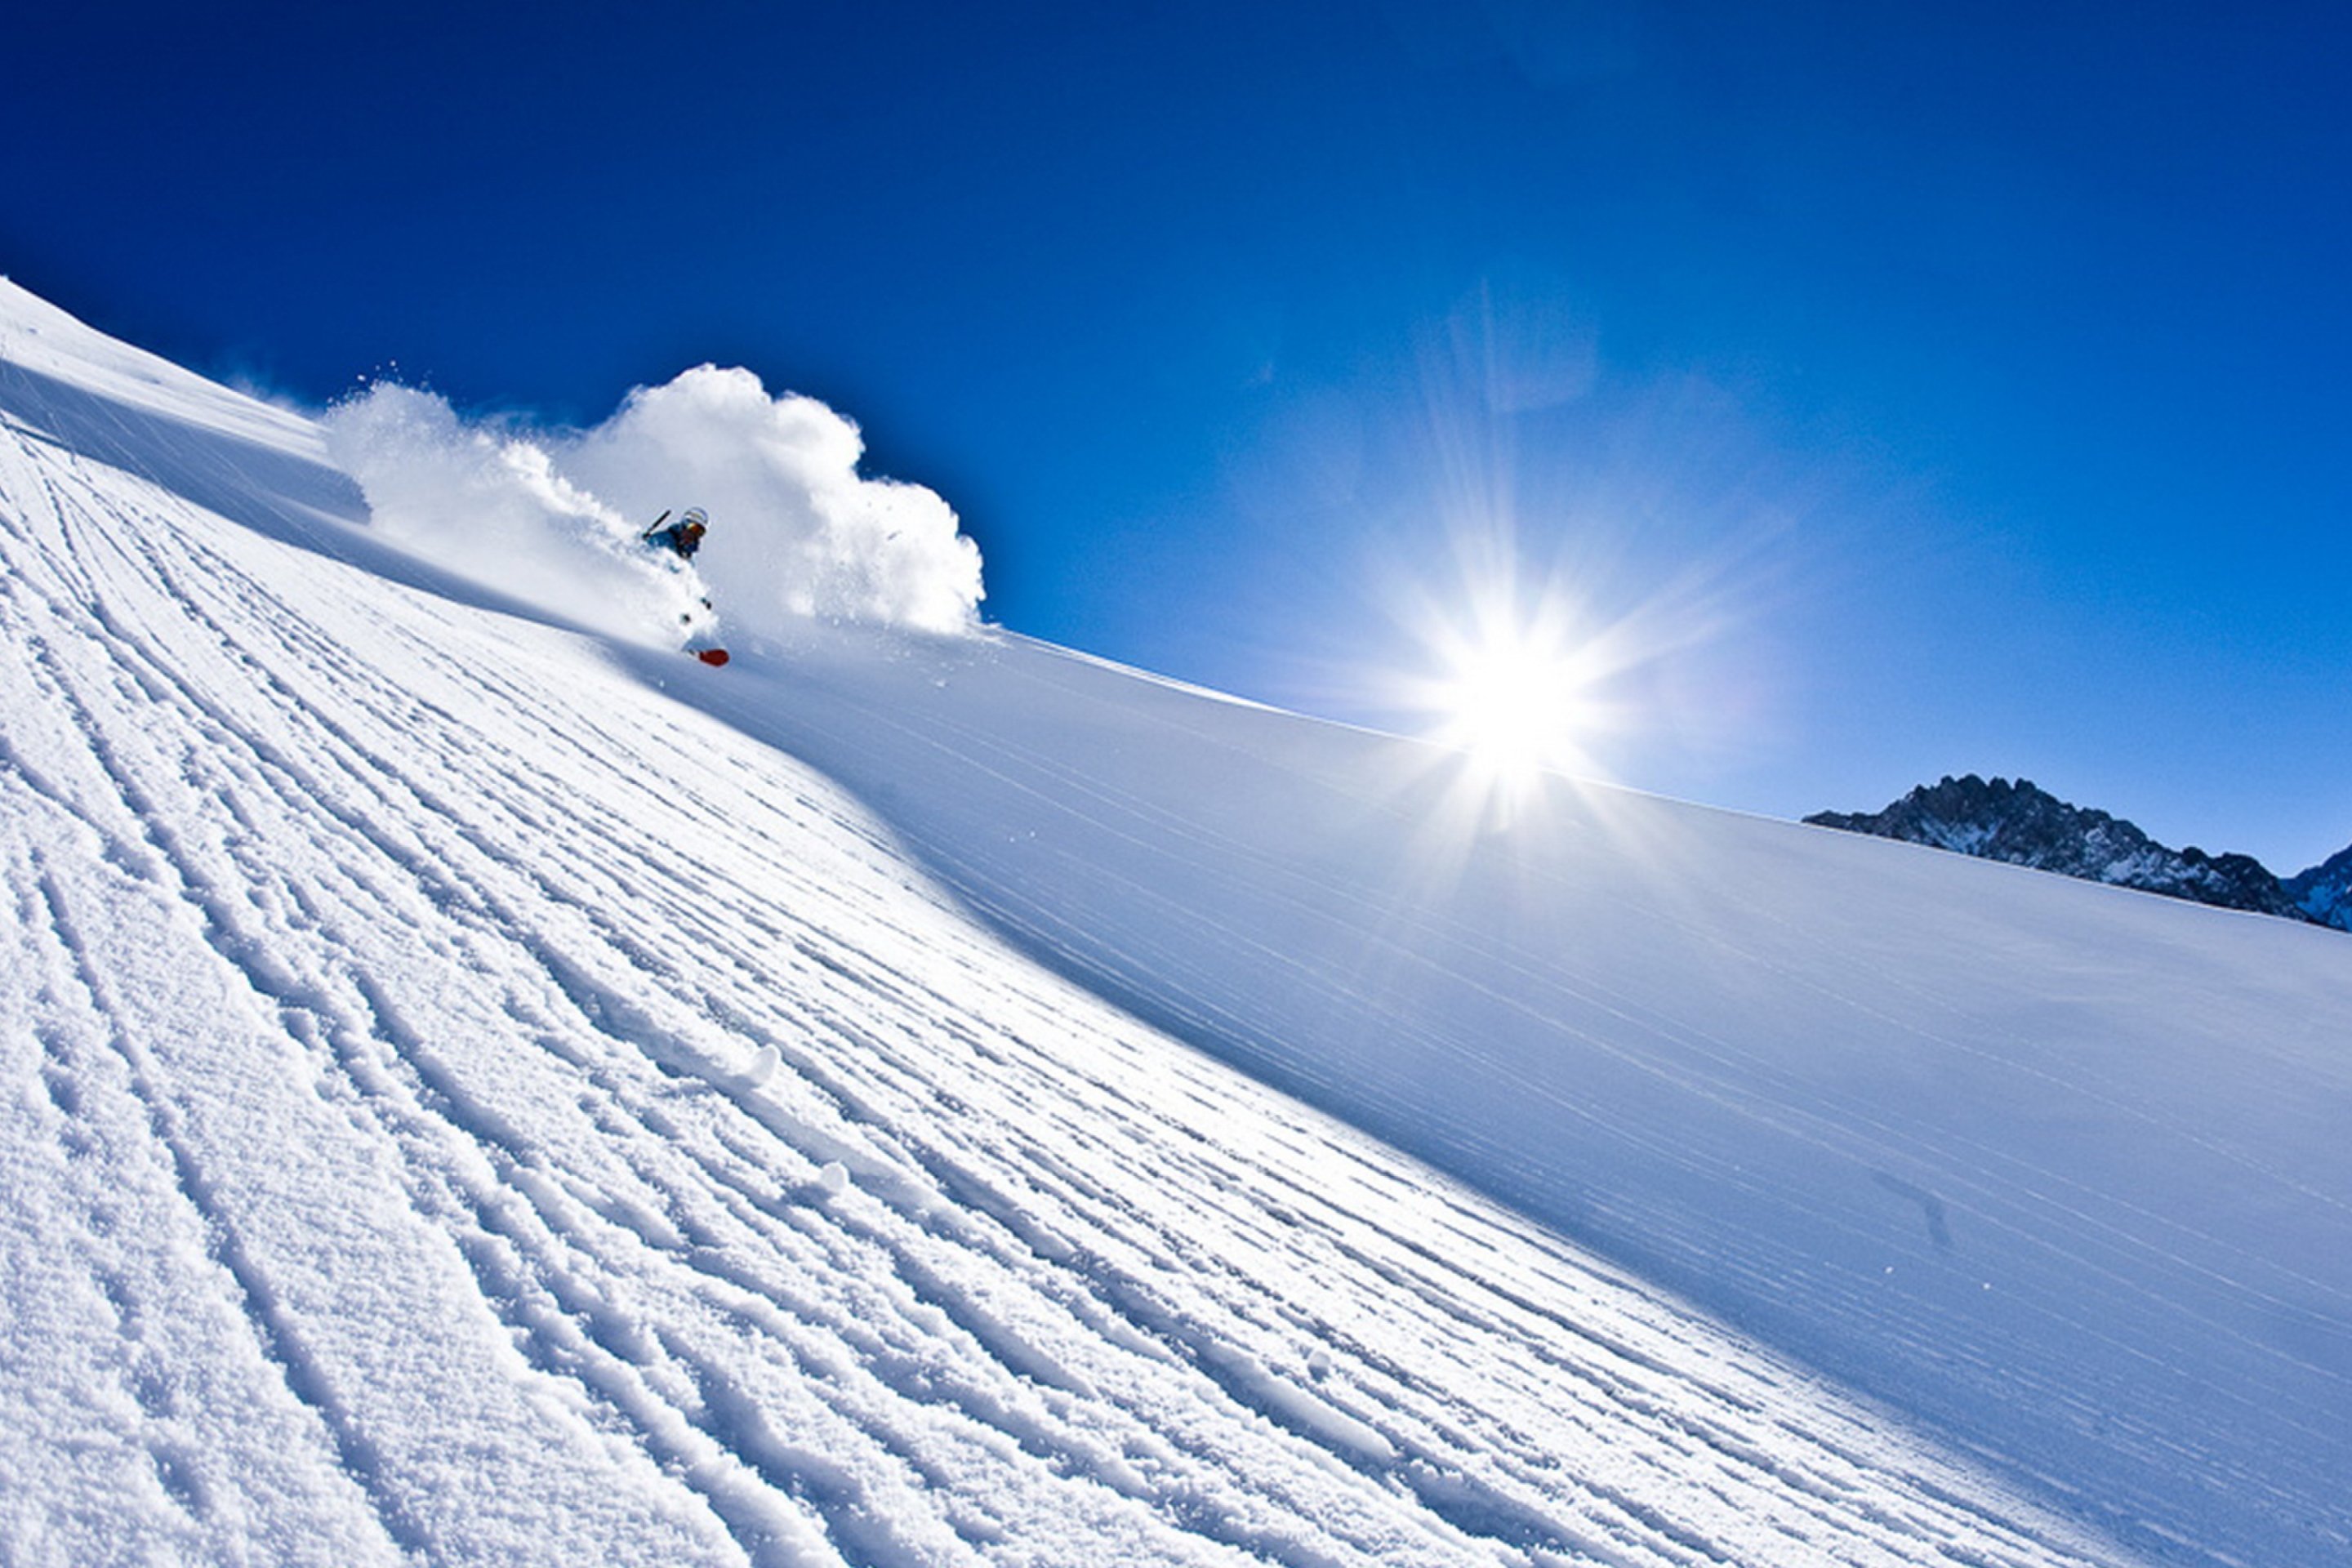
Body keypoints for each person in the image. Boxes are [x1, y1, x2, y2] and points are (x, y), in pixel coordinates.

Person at [643, 506, 708, 559]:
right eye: (692, 528)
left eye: (699, 532)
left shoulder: (687, 555)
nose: (693, 535)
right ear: (684, 524)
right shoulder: (663, 540)